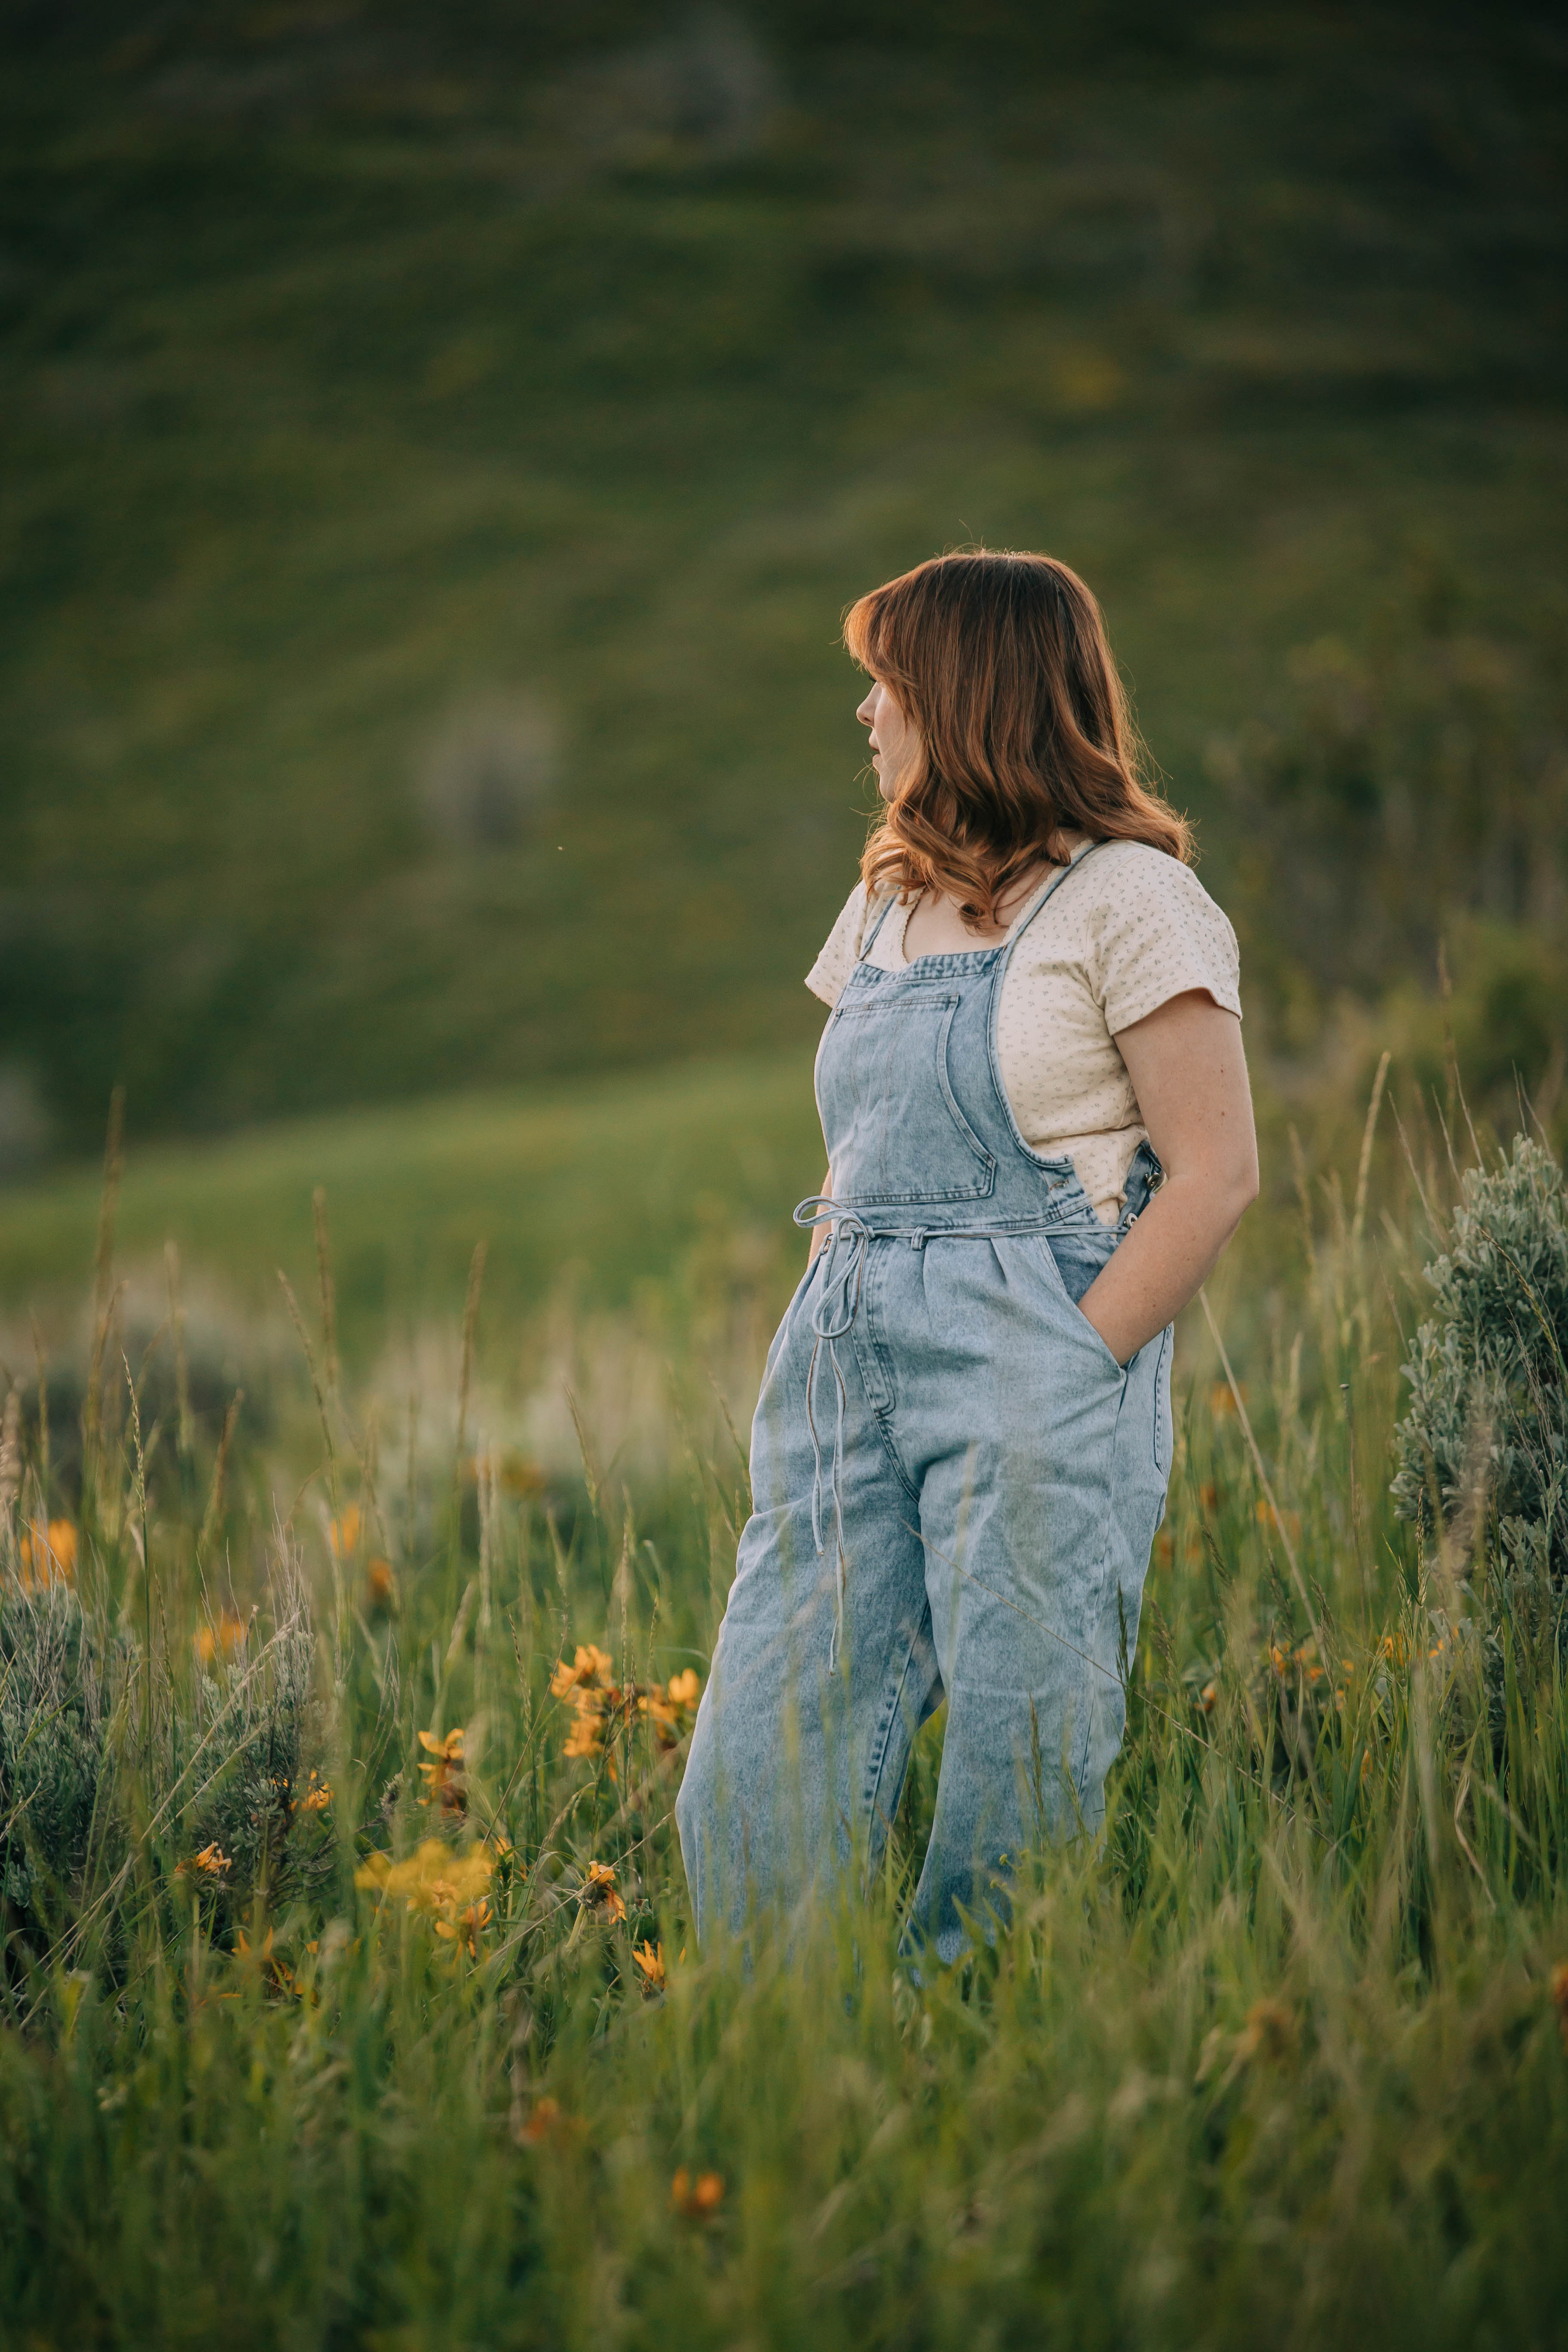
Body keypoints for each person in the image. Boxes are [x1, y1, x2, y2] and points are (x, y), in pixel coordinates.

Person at [677, 548, 1258, 1963]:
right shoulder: (884, 895)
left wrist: (1075, 1365)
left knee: (1021, 1771)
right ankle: (788, 2067)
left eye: (887, 684)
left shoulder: (1131, 898)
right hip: (844, 1354)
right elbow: (866, 1134)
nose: (867, 715)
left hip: (1031, 1350)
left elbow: (1219, 1169)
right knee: (753, 1770)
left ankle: (983, 2065)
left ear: (968, 694)